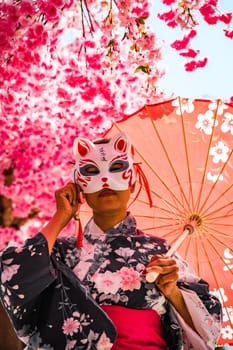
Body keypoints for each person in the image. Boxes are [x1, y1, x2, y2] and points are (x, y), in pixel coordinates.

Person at [0, 132, 222, 350]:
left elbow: (208, 330)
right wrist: (60, 218)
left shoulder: (162, 252)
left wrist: (172, 291)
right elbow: (12, 275)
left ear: (133, 183)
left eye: (117, 168)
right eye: (91, 171)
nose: (105, 180)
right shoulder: (60, 251)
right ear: (79, 188)